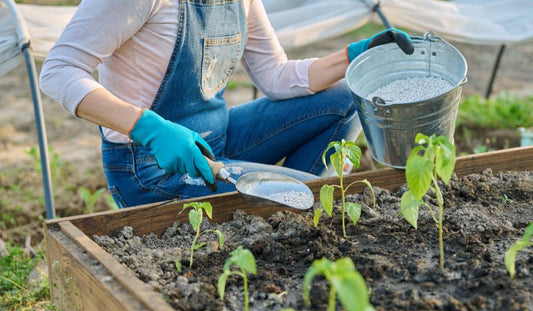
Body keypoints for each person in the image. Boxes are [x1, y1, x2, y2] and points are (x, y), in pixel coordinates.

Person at [40, 0, 413, 208]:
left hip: (220, 138)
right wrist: (148, 127)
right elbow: (58, 70)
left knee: (346, 97)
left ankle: (293, 208)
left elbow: (275, 74)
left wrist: (352, 56)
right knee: (302, 196)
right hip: (150, 167)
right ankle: (293, 206)